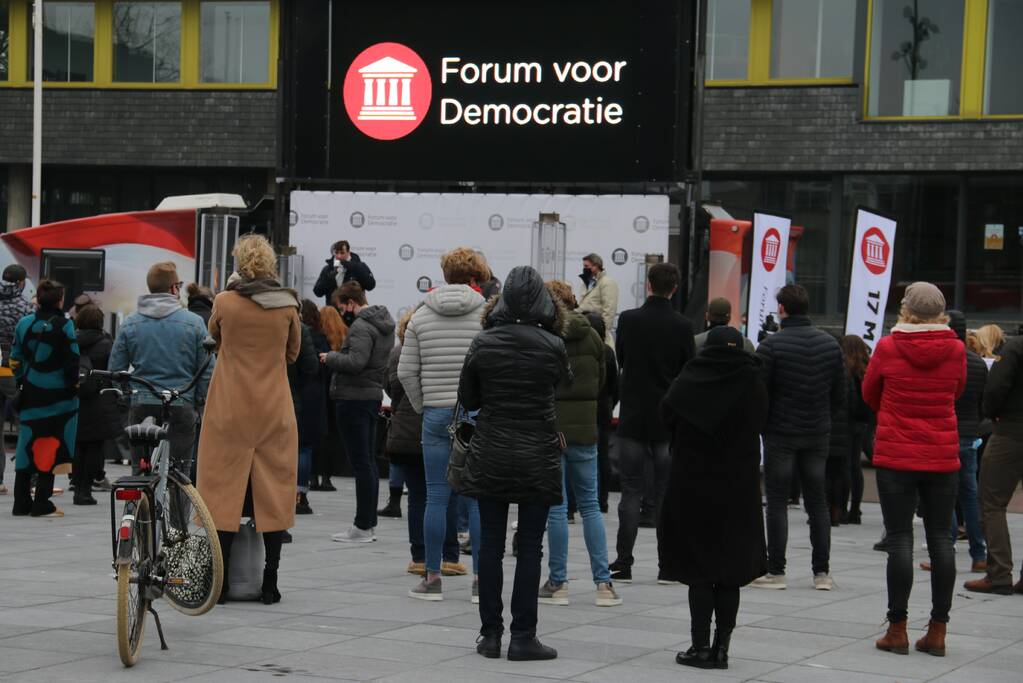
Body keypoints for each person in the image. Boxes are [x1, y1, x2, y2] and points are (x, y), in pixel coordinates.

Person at [457, 266, 569, 661]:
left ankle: (489, 635)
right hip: (537, 452)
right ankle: (523, 637)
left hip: (491, 449)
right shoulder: (554, 344)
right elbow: (563, 387)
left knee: (488, 543)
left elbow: (469, 400)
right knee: (530, 547)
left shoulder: (483, 342)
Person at [197, 234, 301, 605]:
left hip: (229, 406)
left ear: (239, 263)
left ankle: (221, 584)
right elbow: (293, 354)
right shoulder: (288, 305)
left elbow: (215, 338)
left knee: (221, 490)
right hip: (274, 407)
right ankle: (270, 580)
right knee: (273, 491)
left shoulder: (224, 301)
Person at [864, 282, 964, 656]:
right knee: (941, 539)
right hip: (941, 454)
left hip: (896, 456)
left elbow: (869, 392)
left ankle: (898, 629)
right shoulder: (955, 348)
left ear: (906, 310)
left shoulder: (889, 346)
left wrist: (892, 411)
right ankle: (937, 631)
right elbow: (956, 390)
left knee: (900, 540)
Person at [660, 326, 769, 671]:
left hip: (695, 484)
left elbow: (667, 416)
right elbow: (763, 419)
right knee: (730, 569)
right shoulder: (753, 381)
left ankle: (699, 645)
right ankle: (723, 647)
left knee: (700, 567)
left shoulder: (691, 378)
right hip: (739, 487)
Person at [399, 247, 484, 599]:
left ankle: (432, 577)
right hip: (476, 415)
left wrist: (423, 405)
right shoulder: (486, 315)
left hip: (435, 412)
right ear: (475, 274)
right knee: (478, 499)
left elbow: (405, 371)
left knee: (435, 496)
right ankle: (482, 579)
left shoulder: (421, 315)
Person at [752, 284, 843, 591]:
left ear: (782, 309)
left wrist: (763, 424)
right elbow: (839, 394)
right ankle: (822, 573)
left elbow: (759, 393)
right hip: (817, 432)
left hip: (780, 432)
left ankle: (776, 570)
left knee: (776, 500)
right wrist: (824, 418)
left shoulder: (771, 347)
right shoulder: (830, 345)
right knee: (817, 502)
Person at [609, 262, 695, 583]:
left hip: (633, 414)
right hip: (667, 419)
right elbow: (688, 370)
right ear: (674, 288)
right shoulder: (683, 326)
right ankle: (667, 563)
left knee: (631, 491)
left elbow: (623, 359)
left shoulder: (629, 320)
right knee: (664, 492)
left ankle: (623, 561)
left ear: (648, 285)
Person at [539, 281, 621, 608]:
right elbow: (601, 382)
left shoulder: (547, 337)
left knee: (557, 507)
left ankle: (558, 582)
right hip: (586, 429)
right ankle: (604, 583)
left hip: (553, 429)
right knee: (590, 506)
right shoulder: (593, 337)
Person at [110, 262, 212, 477]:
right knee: (180, 471)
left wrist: (128, 396)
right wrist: (199, 401)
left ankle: (139, 507)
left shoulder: (131, 323)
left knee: (140, 468)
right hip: (181, 402)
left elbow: (116, 369)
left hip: (141, 403)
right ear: (174, 288)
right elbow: (206, 369)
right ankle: (175, 508)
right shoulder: (193, 323)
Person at [388, 310, 463, 576]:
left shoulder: (398, 354)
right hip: (443, 421)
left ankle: (419, 556)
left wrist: (418, 404)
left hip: (407, 433)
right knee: (449, 494)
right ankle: (450, 555)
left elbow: (393, 386)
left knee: (419, 495)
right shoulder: (445, 347)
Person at [324, 282, 395, 543]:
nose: (342, 311)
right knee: (368, 462)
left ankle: (362, 526)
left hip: (353, 397)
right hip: (370, 395)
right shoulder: (384, 324)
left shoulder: (362, 326)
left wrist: (330, 357)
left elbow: (355, 362)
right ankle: (367, 524)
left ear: (351, 302)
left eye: (342, 306)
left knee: (361, 463)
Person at [920, 311, 986, 573]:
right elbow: (984, 401)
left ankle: (942, 554)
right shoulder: (978, 363)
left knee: (942, 494)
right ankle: (979, 554)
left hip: (945, 432)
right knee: (970, 495)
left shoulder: (942, 359)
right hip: (970, 433)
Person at [10, 279, 79, 518]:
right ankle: (42, 502)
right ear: (60, 300)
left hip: (30, 393)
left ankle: (20, 502)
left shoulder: (24, 323)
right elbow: (72, 360)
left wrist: (21, 380)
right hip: (59, 398)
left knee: (26, 443)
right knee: (51, 445)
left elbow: (15, 357)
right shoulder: (65, 325)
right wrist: (73, 387)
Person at [965, 326, 1023, 595]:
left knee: (991, 503)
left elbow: (996, 387)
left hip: (1012, 431)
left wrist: (990, 413)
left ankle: (999, 573)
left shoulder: (1014, 347)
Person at [72, 305, 121, 506]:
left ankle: (76, 485)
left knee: (78, 444)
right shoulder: (106, 343)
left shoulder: (71, 341)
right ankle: (85, 489)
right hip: (99, 400)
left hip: (74, 398)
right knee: (95, 446)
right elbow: (115, 370)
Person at [0, 264, 34, 496]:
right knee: (26, 422)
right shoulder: (24, 308)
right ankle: (27, 476)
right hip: (12, 370)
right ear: (22, 283)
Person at [289, 300, 325, 517]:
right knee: (302, 448)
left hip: (274, 394)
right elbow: (311, 367)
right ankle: (299, 496)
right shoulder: (304, 332)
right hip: (298, 396)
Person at [310, 306, 347, 492]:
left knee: (316, 437)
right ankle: (327, 477)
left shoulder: (316, 339)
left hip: (319, 394)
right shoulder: (343, 339)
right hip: (338, 394)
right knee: (331, 437)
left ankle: (313, 477)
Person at [583, 312, 618, 514]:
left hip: (585, 411)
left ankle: (574, 503)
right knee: (602, 455)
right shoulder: (607, 352)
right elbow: (614, 383)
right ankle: (602, 500)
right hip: (603, 408)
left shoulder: (578, 349)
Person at [839, 335, 872, 524]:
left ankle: (842, 508)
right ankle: (856, 509)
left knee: (845, 466)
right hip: (863, 423)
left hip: (848, 423)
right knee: (856, 466)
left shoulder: (846, 370)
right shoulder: (866, 369)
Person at [313, 240, 376, 305]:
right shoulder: (328, 269)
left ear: (348, 252)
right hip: (334, 311)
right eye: (336, 253)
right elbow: (317, 292)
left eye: (342, 253)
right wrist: (328, 279)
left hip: (353, 311)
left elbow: (370, 285)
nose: (339, 256)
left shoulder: (359, 266)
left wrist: (355, 268)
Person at [576, 253, 618, 344]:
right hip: (585, 330)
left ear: (596, 266)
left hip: (598, 333)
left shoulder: (607, 282)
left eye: (586, 266)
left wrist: (602, 334)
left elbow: (609, 311)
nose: (584, 269)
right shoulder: (585, 282)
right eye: (584, 266)